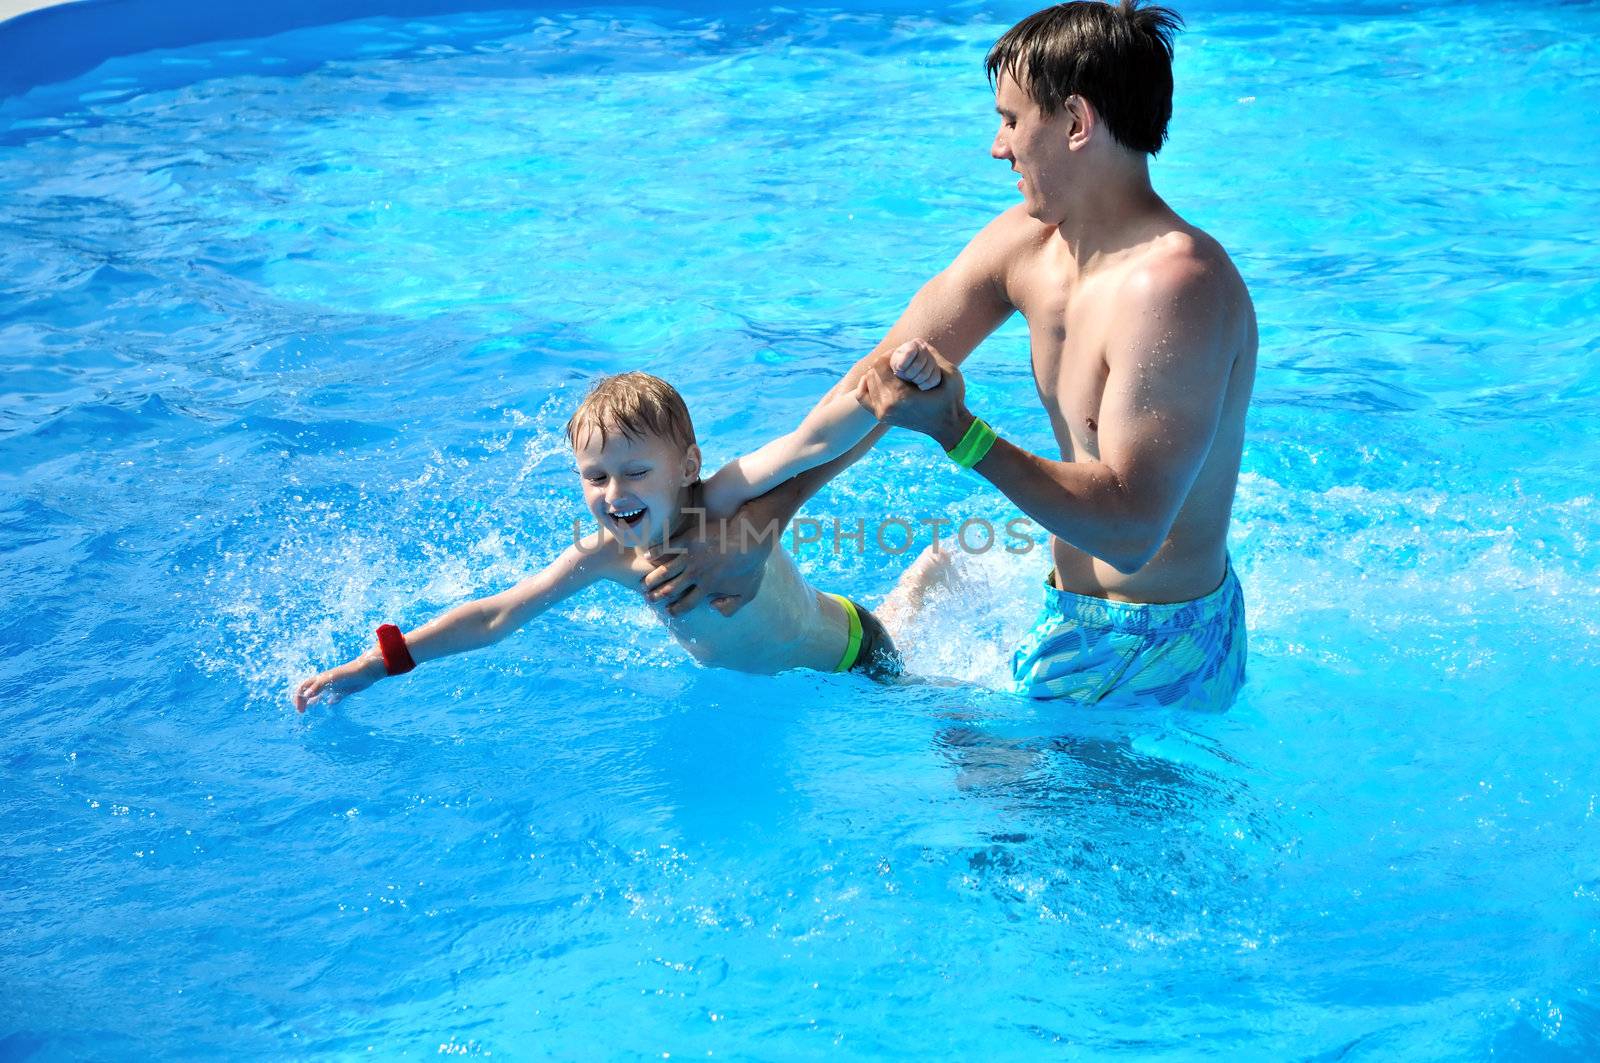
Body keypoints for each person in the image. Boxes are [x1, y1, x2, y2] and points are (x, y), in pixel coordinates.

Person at [642, 1, 1256, 710]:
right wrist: (760, 522)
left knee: (967, 780)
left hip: (1156, 651)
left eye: (1012, 120)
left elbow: (1131, 533)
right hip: (1071, 613)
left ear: (1077, 123)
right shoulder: (1025, 246)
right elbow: (873, 388)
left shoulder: (1177, 288)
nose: (999, 147)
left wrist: (957, 433)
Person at [291, 363, 939, 711]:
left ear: (686, 467)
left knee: (922, 679)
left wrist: (889, 383)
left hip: (851, 652)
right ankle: (920, 580)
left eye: (635, 472)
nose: (613, 493)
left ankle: (927, 574)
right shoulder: (606, 553)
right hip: (767, 678)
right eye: (595, 476)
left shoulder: (726, 495)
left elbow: (811, 442)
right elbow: (497, 616)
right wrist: (379, 661)